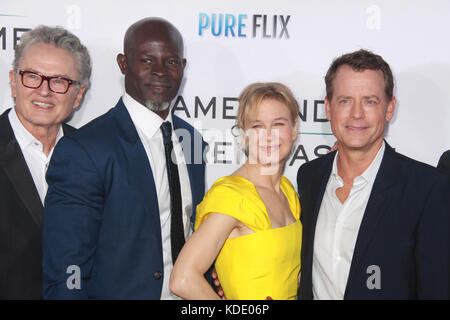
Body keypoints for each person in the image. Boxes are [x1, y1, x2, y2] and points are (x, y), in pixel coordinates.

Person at [43, 17, 206, 299]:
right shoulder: (85, 149)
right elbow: (67, 266)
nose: (160, 72)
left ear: (183, 67)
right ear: (123, 63)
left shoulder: (192, 140)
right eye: (146, 60)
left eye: (171, 62)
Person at [297, 49, 449, 300]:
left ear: (389, 109)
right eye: (345, 100)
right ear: (328, 108)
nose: (356, 114)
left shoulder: (428, 189)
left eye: (370, 101)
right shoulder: (309, 177)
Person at [170, 82, 301, 300]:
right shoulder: (231, 195)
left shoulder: (288, 192)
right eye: (257, 126)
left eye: (278, 124)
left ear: (294, 129)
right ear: (244, 134)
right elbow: (182, 279)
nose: (269, 135)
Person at [0, 25, 90, 299]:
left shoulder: (94, 156)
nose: (44, 91)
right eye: (33, 76)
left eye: (60, 81)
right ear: (14, 81)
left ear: (78, 95)